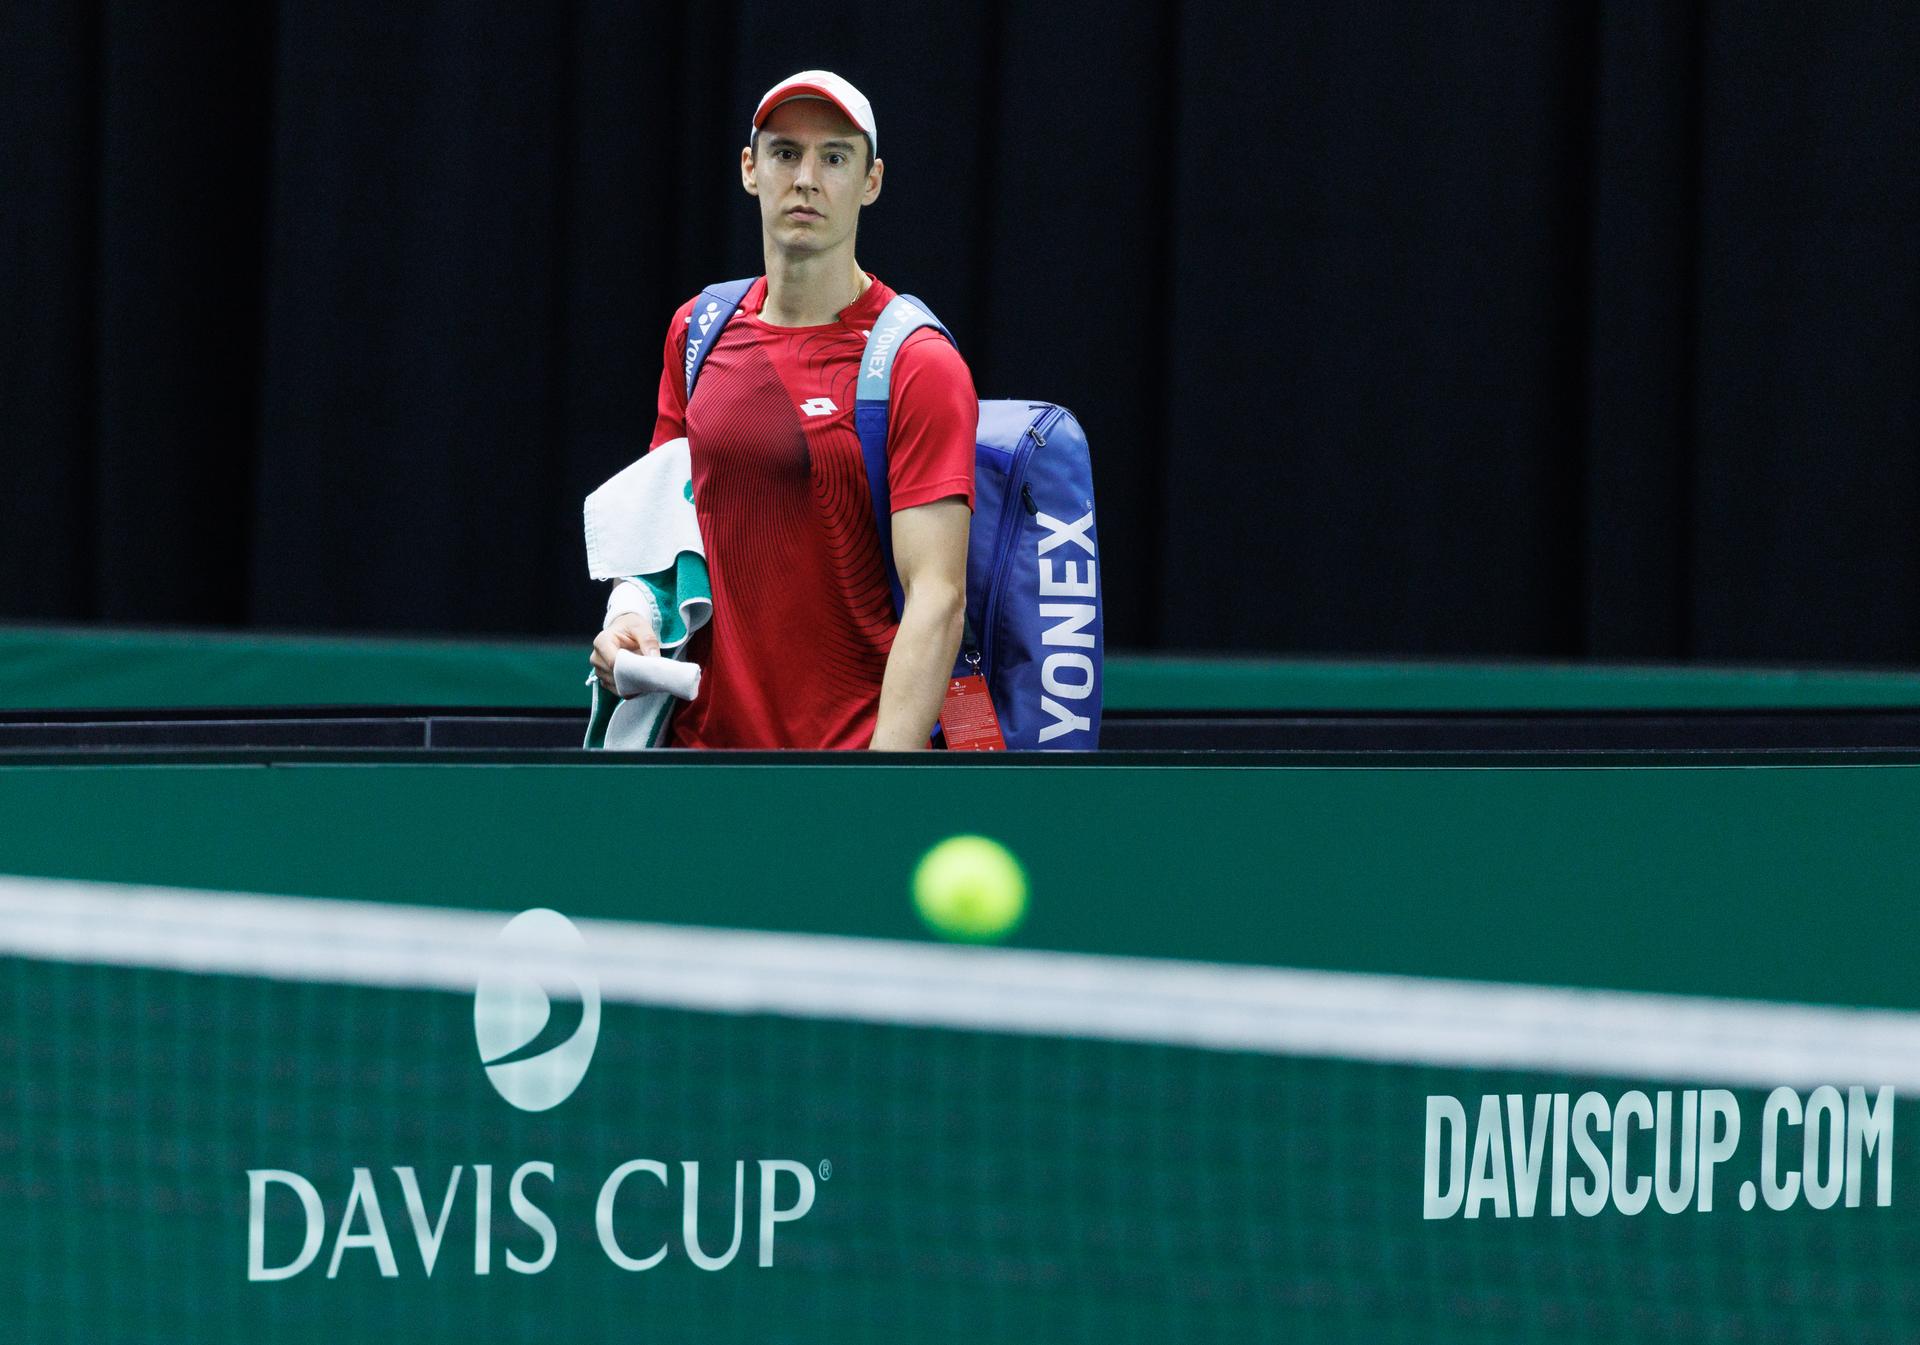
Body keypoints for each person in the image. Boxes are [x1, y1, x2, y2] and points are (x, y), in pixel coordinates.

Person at [590, 70, 978, 750]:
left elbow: (938, 601)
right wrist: (629, 615)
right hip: (695, 765)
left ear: (872, 181)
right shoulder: (697, 331)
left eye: (834, 158)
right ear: (751, 169)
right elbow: (659, 536)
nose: (805, 179)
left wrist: (877, 789)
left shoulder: (919, 363)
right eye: (785, 153)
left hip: (843, 771)